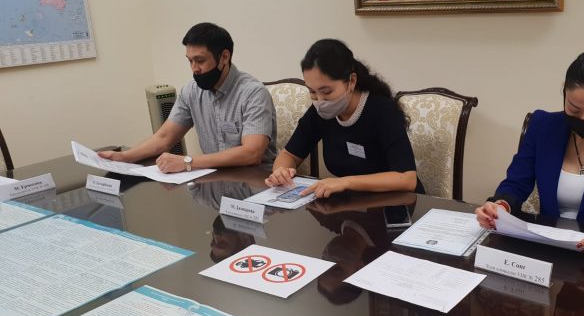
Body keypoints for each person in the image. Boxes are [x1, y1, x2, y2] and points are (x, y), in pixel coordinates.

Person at [475, 43, 584, 261]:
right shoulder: (543, 126)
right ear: (564, 91)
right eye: (574, 109)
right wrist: (499, 207)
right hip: (546, 245)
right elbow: (517, 182)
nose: (583, 119)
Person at [99, 22, 277, 173]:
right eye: (190, 61)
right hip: (213, 180)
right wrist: (124, 157)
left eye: (200, 60)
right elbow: (164, 138)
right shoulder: (191, 91)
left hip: (255, 184)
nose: (194, 69)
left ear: (224, 57)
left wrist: (187, 162)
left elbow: (252, 154)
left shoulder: (253, 93)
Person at [265, 39, 422, 198]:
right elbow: (289, 155)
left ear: (351, 81)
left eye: (327, 92)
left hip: (397, 203)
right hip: (353, 203)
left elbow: (407, 179)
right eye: (312, 92)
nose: (320, 100)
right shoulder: (319, 111)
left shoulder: (383, 111)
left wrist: (345, 182)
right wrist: (281, 171)